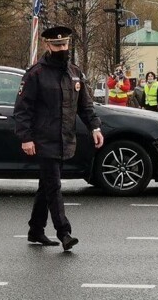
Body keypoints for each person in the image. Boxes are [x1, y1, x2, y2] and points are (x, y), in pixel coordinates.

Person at [13, 25, 103, 251]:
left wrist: (95, 128)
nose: (62, 48)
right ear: (47, 45)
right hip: (43, 139)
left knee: (46, 186)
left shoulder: (74, 72)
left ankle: (35, 230)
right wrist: (26, 138)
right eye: (57, 45)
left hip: (65, 138)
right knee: (54, 186)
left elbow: (85, 105)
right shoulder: (36, 74)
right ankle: (64, 233)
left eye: (64, 44)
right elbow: (22, 109)